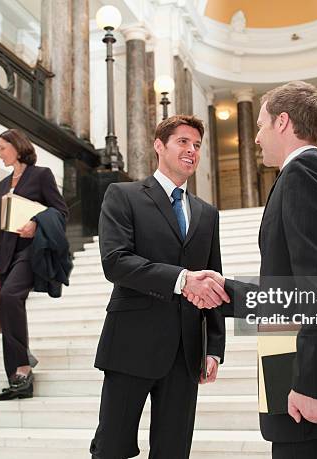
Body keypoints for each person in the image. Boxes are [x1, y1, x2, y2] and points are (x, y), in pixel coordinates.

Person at [187, 82, 317, 459]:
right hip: (308, 393)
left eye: (260, 126)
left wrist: (315, 386)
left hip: (313, 400)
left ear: (283, 122)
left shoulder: (304, 175)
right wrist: (229, 291)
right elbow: (298, 293)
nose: (255, 138)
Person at [90, 115, 228, 459]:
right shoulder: (123, 195)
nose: (191, 151)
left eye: (196, 145)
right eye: (182, 142)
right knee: (111, 446)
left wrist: (213, 347)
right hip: (131, 343)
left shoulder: (207, 213)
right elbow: (115, 262)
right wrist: (181, 280)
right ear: (158, 146)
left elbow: (213, 280)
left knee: (174, 449)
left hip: (186, 352)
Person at [0, 128, 68, 401]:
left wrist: (36, 223)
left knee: (11, 296)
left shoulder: (41, 175)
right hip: (9, 253)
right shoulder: (2, 184)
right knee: (7, 299)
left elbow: (61, 210)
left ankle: (22, 367)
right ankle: (16, 374)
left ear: (16, 147)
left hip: (32, 250)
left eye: (2, 147)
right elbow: (2, 229)